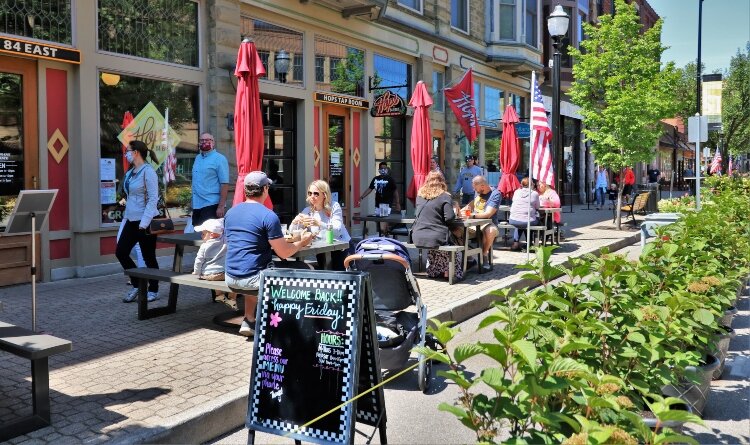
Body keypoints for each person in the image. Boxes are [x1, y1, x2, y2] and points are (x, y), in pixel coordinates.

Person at [224, 171, 314, 336]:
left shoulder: (231, 213)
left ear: (245, 190)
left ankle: (248, 319)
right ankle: (293, 324)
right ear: (265, 189)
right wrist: (302, 242)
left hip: (230, 277)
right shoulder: (268, 215)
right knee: (306, 268)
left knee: (257, 263)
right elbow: (284, 252)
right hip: (253, 279)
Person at [116, 140, 161, 303]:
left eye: (128, 151)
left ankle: (153, 289)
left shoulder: (148, 171)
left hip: (145, 221)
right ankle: (137, 284)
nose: (126, 154)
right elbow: (129, 194)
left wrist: (144, 223)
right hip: (131, 218)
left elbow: (152, 199)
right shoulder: (130, 172)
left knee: (149, 256)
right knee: (121, 252)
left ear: (136, 152)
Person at [411, 171, 465, 281]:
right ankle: (450, 272)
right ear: (442, 182)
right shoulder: (445, 196)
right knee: (454, 239)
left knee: (436, 244)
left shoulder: (420, 196)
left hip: (417, 235)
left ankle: (435, 271)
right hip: (436, 236)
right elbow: (449, 218)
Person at [291, 180, 352, 271]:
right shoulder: (307, 211)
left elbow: (337, 230)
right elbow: (293, 233)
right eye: (310, 193)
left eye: (316, 194)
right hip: (322, 249)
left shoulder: (334, 206)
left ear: (324, 195)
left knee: (340, 279)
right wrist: (295, 222)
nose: (312, 196)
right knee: (325, 276)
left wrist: (319, 223)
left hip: (341, 247)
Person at [462, 176, 501, 270]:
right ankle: (469, 257)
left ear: (483, 186)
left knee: (490, 231)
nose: (474, 190)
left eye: (475, 188)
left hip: (488, 222)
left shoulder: (495, 194)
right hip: (473, 223)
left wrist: (471, 216)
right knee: (455, 230)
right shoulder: (477, 192)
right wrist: (459, 211)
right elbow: (470, 205)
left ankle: (484, 254)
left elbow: (488, 214)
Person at [192, 218, 234, 304]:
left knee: (214, 281)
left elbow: (199, 260)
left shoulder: (204, 246)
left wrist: (196, 271)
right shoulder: (224, 241)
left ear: (211, 235)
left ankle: (219, 295)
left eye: (203, 234)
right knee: (235, 280)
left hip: (208, 274)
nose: (201, 236)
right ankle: (231, 297)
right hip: (223, 273)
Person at [192, 133, 229, 227]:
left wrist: (221, 207)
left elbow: (224, 184)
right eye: (202, 140)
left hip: (211, 204)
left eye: (208, 140)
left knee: (208, 237)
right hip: (197, 204)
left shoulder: (220, 159)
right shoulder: (197, 158)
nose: (204, 142)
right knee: (196, 237)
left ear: (214, 143)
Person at [358, 162, 401, 234]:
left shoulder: (390, 179)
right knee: (381, 222)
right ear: (379, 170)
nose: (383, 170)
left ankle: (385, 236)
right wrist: (362, 197)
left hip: (386, 204)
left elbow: (395, 191)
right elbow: (370, 188)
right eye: (381, 168)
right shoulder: (376, 179)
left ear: (387, 169)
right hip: (378, 204)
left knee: (383, 223)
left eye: (385, 168)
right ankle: (386, 235)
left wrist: (397, 203)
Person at [508, 177, 540, 251]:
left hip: (513, 220)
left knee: (520, 221)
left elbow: (514, 201)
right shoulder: (535, 193)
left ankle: (516, 243)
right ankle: (529, 243)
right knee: (530, 220)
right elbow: (538, 206)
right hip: (527, 221)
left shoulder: (516, 192)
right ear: (532, 184)